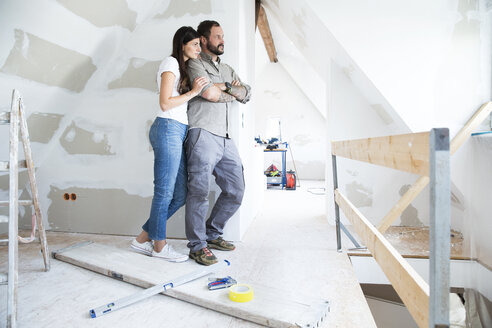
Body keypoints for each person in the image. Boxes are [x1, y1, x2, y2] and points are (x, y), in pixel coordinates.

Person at [130, 26, 208, 262]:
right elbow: (165, 103)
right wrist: (194, 92)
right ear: (182, 44)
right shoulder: (170, 63)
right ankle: (160, 247)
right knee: (164, 192)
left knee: (180, 194)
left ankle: (142, 239)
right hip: (167, 128)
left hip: (178, 131)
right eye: (194, 44)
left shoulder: (181, 67)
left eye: (199, 44)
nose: (198, 48)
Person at [185, 20, 251, 265]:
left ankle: (212, 234)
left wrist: (228, 90)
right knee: (199, 192)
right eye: (217, 36)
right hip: (202, 133)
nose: (222, 40)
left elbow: (246, 93)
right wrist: (230, 92)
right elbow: (208, 93)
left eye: (223, 36)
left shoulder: (228, 69)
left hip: (225, 137)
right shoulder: (194, 63)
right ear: (204, 39)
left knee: (236, 190)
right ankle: (197, 246)